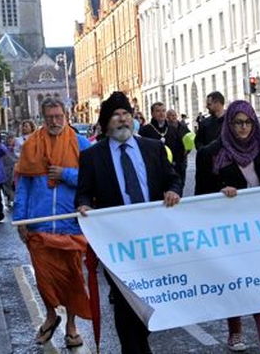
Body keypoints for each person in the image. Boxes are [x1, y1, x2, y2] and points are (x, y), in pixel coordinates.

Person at [76, 91, 182, 354]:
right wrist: (85, 203)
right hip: (118, 241)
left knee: (149, 297)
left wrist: (173, 191)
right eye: (115, 115)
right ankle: (135, 349)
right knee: (125, 301)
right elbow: (84, 190)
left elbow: (172, 178)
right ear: (105, 122)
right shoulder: (92, 156)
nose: (122, 120)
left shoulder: (153, 148)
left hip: (153, 237)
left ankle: (139, 341)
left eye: (126, 114)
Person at [195, 100, 260, 354]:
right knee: (234, 280)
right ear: (229, 124)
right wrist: (219, 193)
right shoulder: (211, 154)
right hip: (229, 231)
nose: (243, 127)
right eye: (238, 122)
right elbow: (201, 195)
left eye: (248, 122)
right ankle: (235, 331)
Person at [13, 97, 92, 348]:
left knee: (72, 280)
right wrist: (21, 221)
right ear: (43, 118)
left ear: (66, 115)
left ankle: (71, 327)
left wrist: (65, 174)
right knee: (45, 280)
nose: (55, 121)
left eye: (59, 116)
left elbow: (93, 180)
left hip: (70, 225)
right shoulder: (31, 146)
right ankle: (50, 315)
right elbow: (23, 186)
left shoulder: (81, 143)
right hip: (40, 225)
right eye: (50, 118)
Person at [139, 103, 190, 189]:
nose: (161, 113)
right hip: (153, 170)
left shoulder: (172, 129)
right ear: (152, 113)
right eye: (158, 111)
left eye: (163, 110)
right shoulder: (145, 130)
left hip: (172, 169)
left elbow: (180, 149)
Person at [2, 132, 17, 208]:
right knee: (6, 185)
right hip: (5, 168)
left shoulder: (17, 147)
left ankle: (13, 199)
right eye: (8, 138)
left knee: (14, 185)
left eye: (11, 138)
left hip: (15, 168)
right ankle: (9, 198)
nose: (10, 140)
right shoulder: (3, 148)